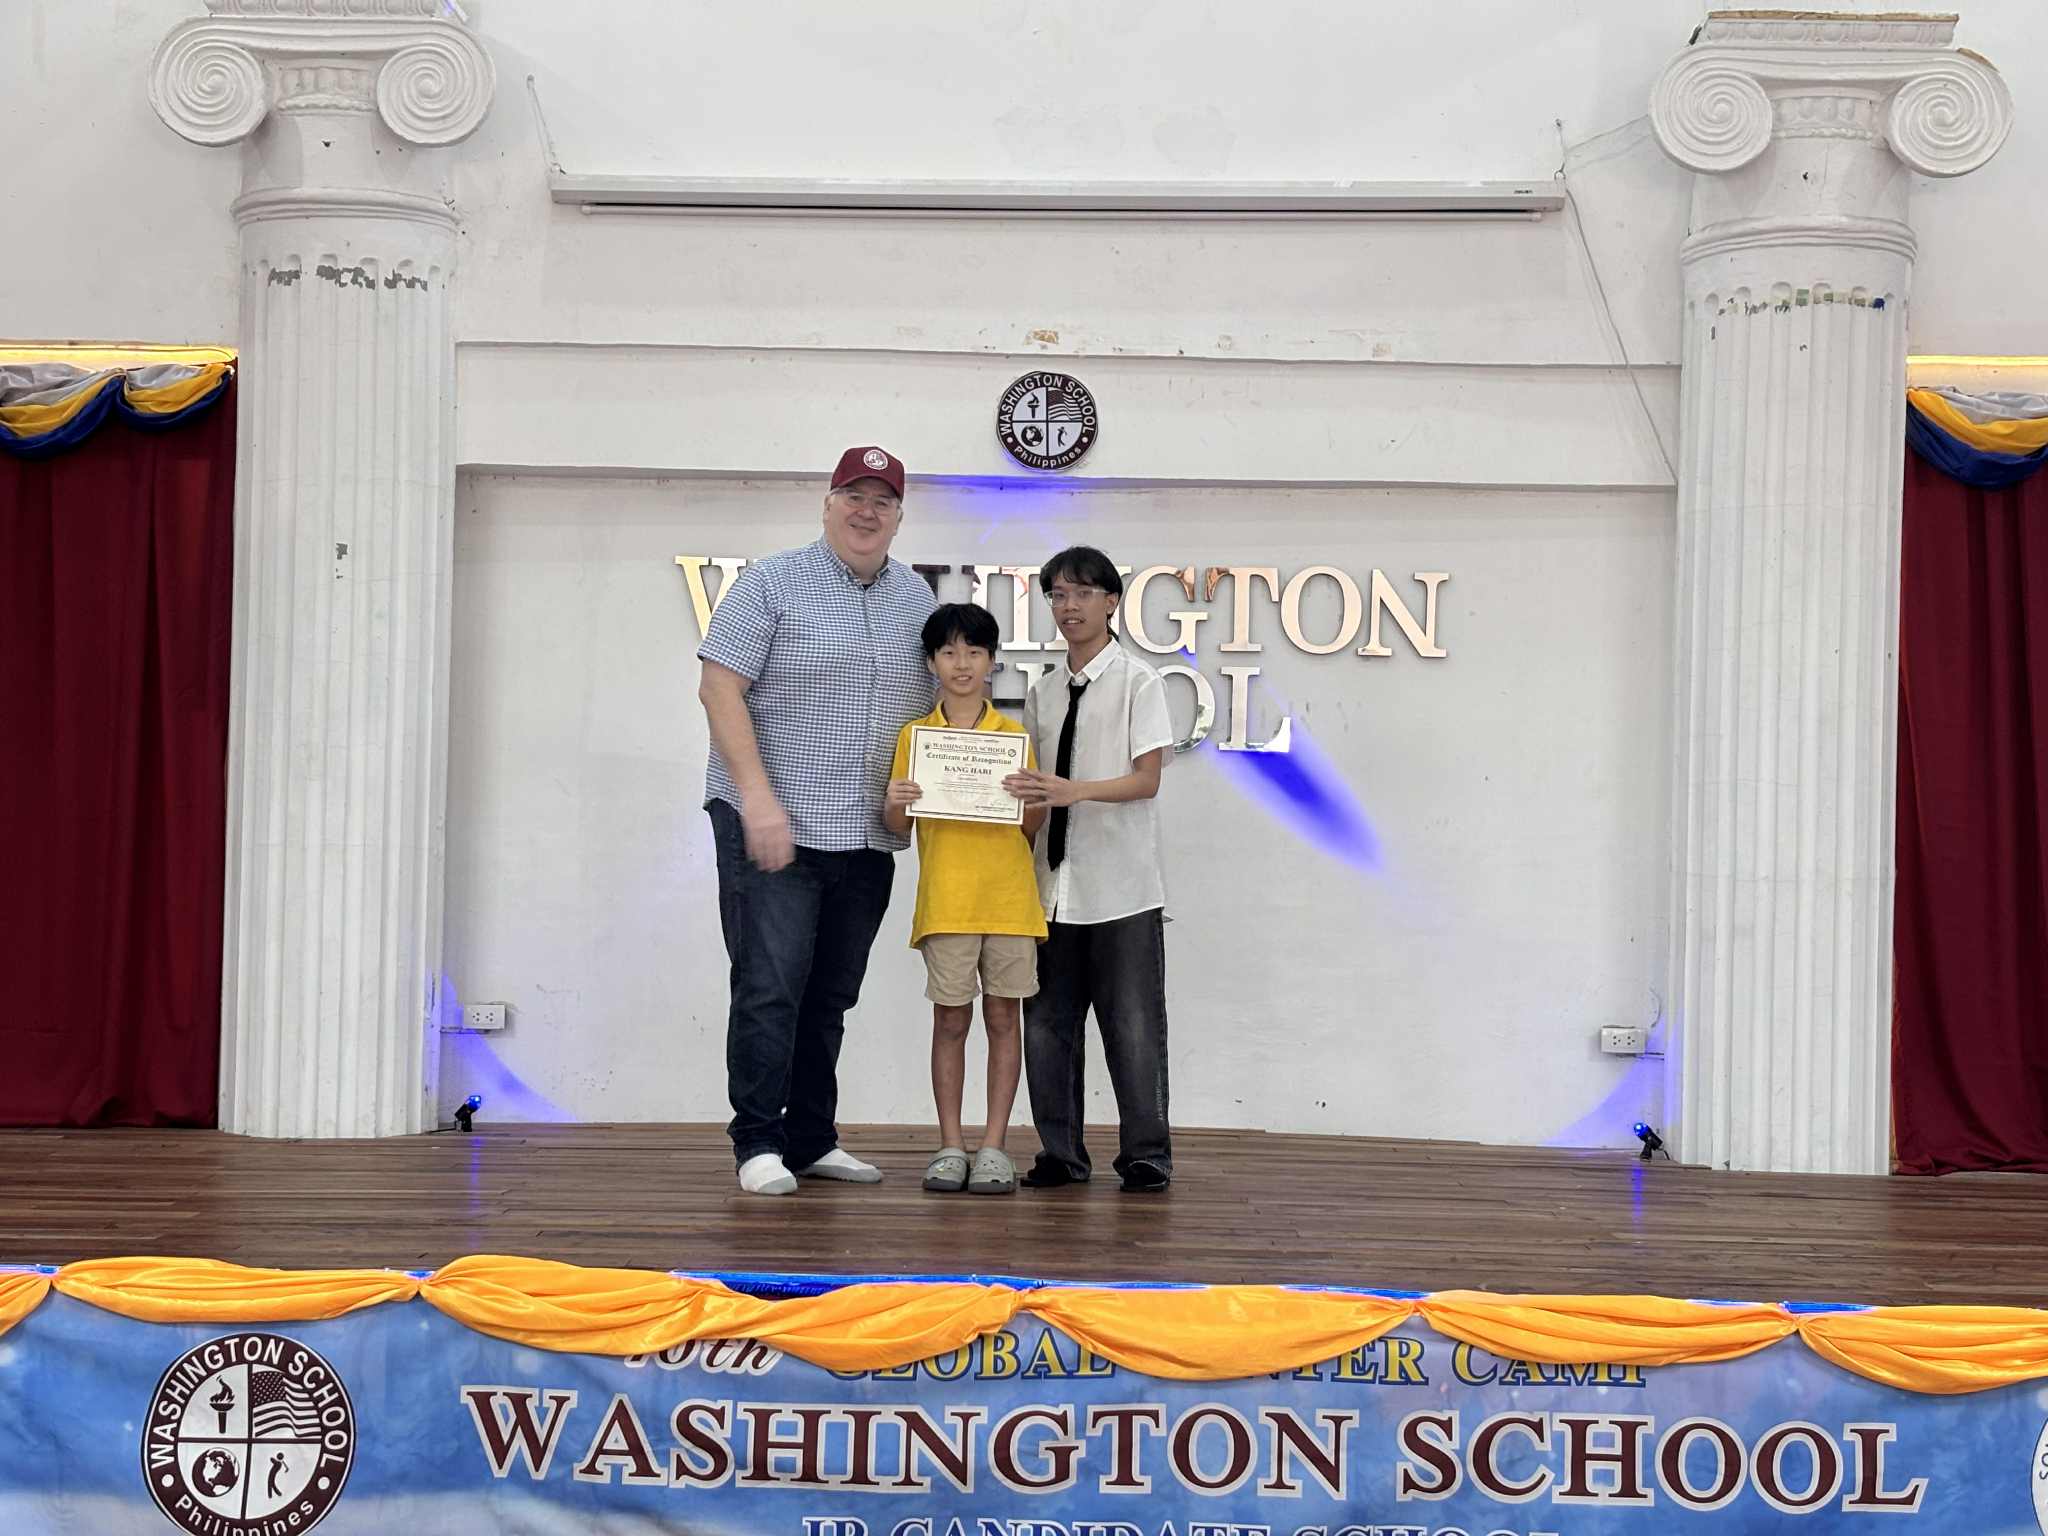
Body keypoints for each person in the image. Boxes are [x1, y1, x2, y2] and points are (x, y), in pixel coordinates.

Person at [697, 446, 937, 1195]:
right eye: (854, 496)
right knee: (770, 988)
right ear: (827, 504)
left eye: (882, 501)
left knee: (831, 993)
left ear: (899, 516)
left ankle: (811, 1139)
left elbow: (935, 713)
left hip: (866, 832)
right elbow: (718, 689)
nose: (867, 511)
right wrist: (757, 799)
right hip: (774, 822)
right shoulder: (770, 582)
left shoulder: (917, 601)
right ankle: (757, 1144)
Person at [1004, 546, 1177, 1193]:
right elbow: (1035, 795)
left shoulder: (1139, 681)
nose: (1069, 606)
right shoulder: (1044, 692)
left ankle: (1147, 1155)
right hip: (1050, 889)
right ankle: (1061, 1154)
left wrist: (1074, 791)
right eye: (1058, 595)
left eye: (1082, 593)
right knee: (1046, 1027)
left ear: (1111, 602)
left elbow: (1147, 780)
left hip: (1122, 888)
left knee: (1133, 1027)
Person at [883, 603, 1048, 1196]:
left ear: (992, 662)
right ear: (931, 662)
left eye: (974, 651)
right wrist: (895, 801)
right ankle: (951, 1145)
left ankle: (995, 1146)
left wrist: (1033, 802)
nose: (962, 663)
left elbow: (1029, 829)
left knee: (1005, 1020)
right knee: (950, 1021)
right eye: (949, 651)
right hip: (947, 901)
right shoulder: (915, 738)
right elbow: (899, 828)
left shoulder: (1013, 739)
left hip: (1010, 902)